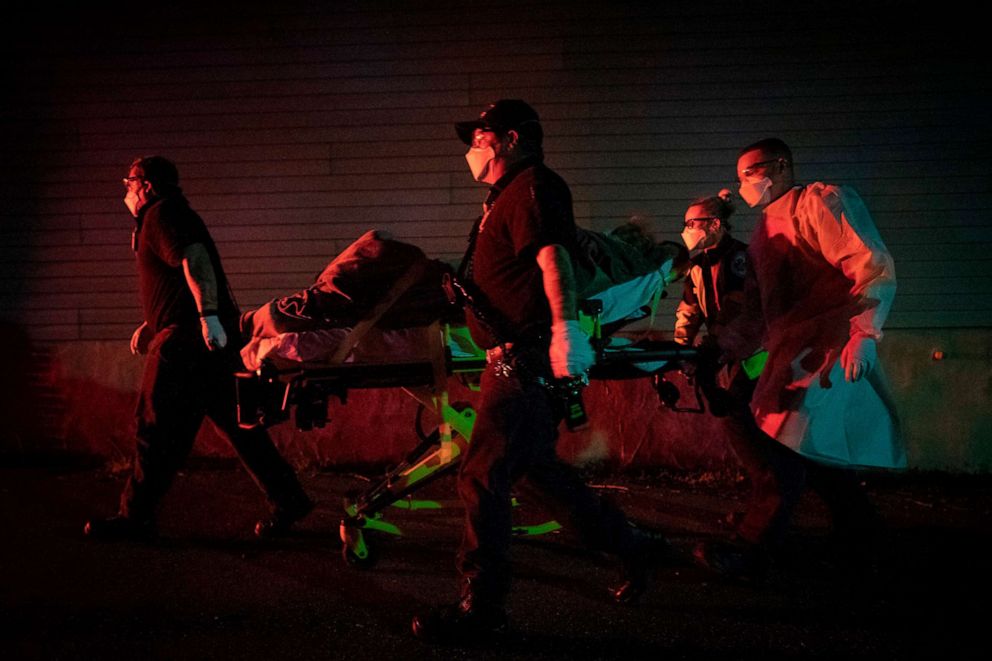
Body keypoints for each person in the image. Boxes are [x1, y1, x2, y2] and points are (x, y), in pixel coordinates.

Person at [411, 100, 662, 643]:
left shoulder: (532, 187)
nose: (471, 150)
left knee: (482, 475)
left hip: (524, 359)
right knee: (534, 472)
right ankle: (632, 546)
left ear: (508, 139)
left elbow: (554, 260)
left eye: (478, 138)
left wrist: (566, 330)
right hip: (518, 356)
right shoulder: (504, 198)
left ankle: (483, 608)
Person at [693, 138, 905, 578]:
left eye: (751, 173)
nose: (744, 185)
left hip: (829, 350)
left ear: (781, 166)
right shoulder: (763, 233)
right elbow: (758, 309)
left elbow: (869, 264)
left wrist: (863, 333)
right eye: (740, 176)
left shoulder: (819, 204)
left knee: (785, 451)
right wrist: (723, 347)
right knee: (816, 454)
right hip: (793, 352)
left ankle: (753, 547)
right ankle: (864, 537)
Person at [84, 156, 313, 541]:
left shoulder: (161, 214)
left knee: (154, 429)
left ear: (147, 186)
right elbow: (178, 280)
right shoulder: (168, 215)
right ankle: (288, 499)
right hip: (207, 340)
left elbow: (195, 259)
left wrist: (206, 316)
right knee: (240, 427)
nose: (125, 190)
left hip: (187, 343)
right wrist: (153, 322)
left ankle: (135, 517)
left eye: (129, 183)